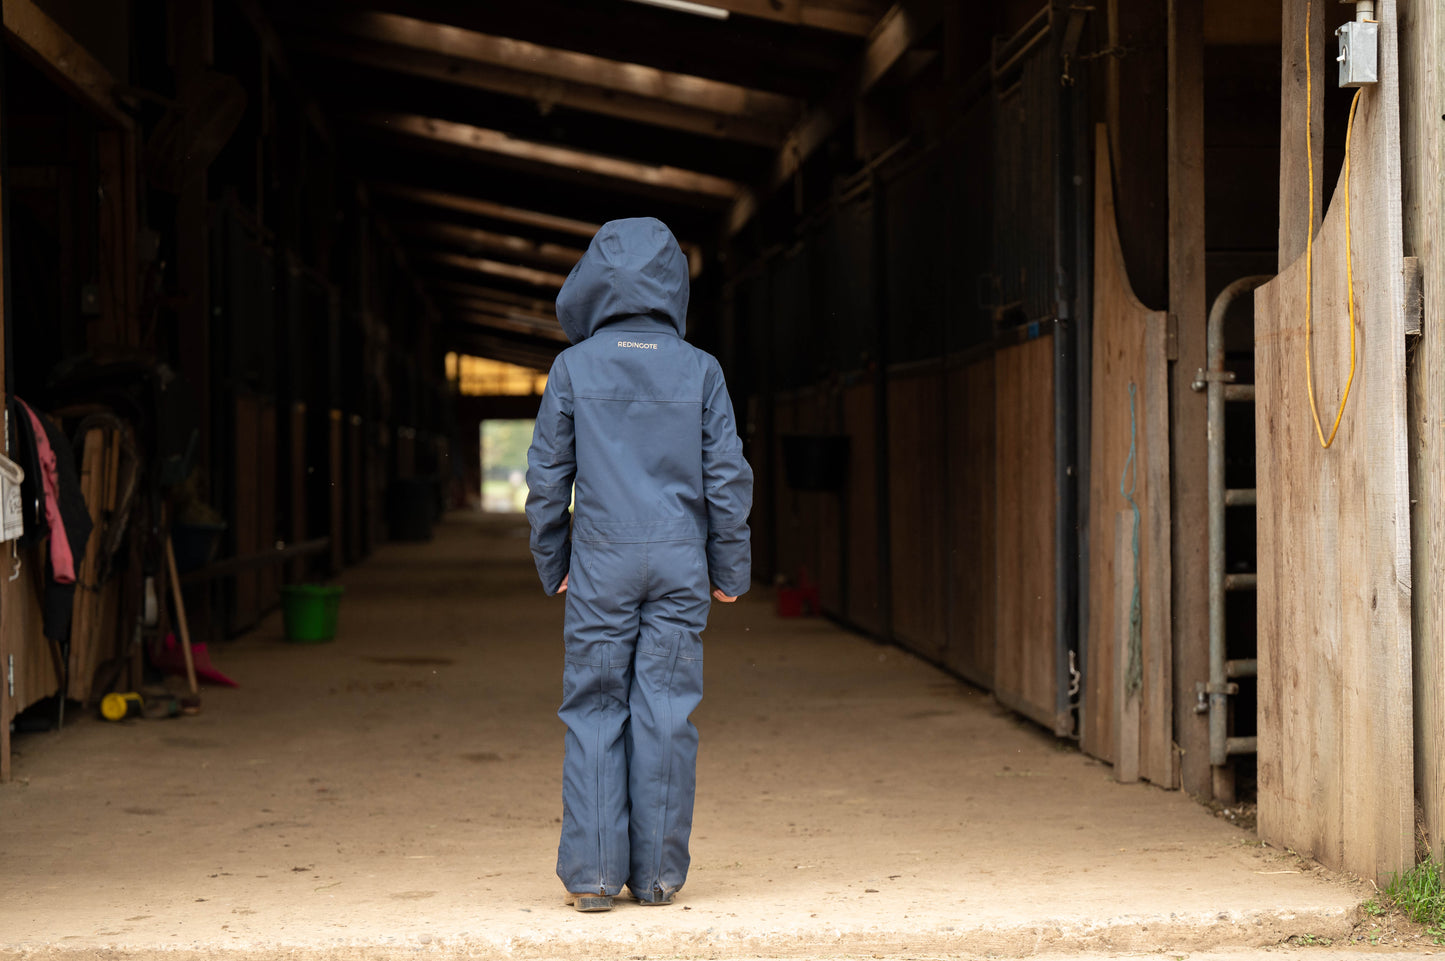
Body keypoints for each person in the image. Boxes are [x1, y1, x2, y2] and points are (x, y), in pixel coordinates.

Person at [525, 217, 753, 912]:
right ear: (671, 283)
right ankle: (657, 876)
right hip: (679, 561)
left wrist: (552, 559)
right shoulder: (701, 370)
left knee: (596, 706)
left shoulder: (573, 368)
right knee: (665, 711)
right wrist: (729, 568)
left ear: (594, 281)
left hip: (602, 560)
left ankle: (594, 877)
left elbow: (547, 477)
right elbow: (727, 477)